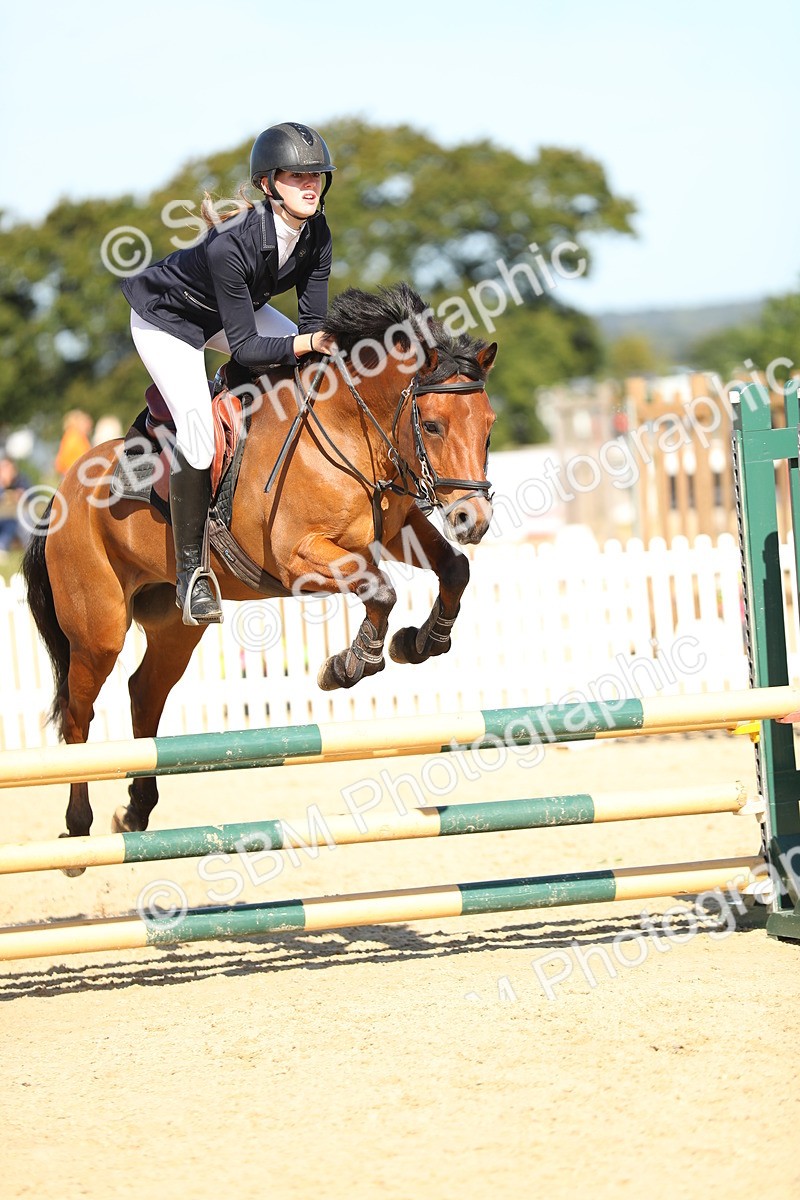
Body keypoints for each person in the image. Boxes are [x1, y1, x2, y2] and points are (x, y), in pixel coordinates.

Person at [121, 121, 339, 625]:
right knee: (198, 438)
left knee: (312, 364)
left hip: (226, 313)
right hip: (167, 320)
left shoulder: (317, 234)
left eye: (316, 176)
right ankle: (192, 576)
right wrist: (310, 343)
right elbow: (247, 349)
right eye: (296, 176)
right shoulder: (231, 244)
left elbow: (312, 327)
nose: (310, 185)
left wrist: (318, 348)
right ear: (268, 183)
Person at [0, 452, 32, 559]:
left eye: (8, 468)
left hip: (17, 522)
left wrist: (23, 495)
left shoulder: (21, 480)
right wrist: (2, 486)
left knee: (22, 516)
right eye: (3, 468)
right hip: (3, 521)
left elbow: (33, 496)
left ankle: (30, 548)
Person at [54, 409, 93, 476]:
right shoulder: (74, 437)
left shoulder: (77, 437)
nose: (88, 425)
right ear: (77, 422)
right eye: (84, 422)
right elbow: (63, 461)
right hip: (75, 474)